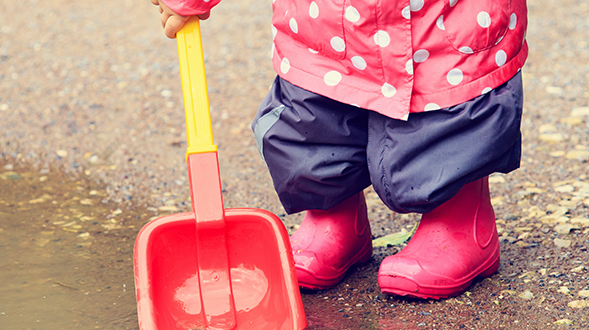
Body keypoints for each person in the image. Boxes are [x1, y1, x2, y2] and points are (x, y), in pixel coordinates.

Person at [151, 0, 528, 299]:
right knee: (314, 119)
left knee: (444, 124)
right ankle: (333, 216)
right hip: (321, 24)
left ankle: (461, 219)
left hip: (442, 25)